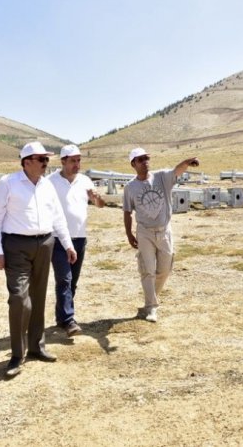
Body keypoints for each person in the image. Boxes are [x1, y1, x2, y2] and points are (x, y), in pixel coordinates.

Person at [0, 141, 77, 378]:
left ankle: (37, 346)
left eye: (47, 160)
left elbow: (57, 217)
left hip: (45, 243)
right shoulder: (8, 183)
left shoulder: (47, 186)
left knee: (38, 296)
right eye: (41, 160)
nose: (46, 164)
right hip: (16, 246)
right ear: (26, 162)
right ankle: (17, 353)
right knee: (19, 299)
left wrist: (67, 244)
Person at [123, 148, 199, 322]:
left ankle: (150, 299)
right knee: (147, 270)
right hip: (144, 233)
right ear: (133, 164)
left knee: (165, 269)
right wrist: (128, 233)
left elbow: (176, 171)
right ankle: (151, 308)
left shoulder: (161, 177)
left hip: (164, 230)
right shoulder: (130, 187)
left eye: (146, 158)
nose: (145, 162)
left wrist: (186, 162)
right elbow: (127, 212)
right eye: (140, 159)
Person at [48, 144, 105, 337]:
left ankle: (61, 317)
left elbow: (100, 205)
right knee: (64, 279)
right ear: (62, 161)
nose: (77, 164)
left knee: (72, 282)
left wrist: (96, 198)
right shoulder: (50, 181)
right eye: (73, 161)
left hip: (80, 238)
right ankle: (68, 320)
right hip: (57, 240)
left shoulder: (85, 181)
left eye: (79, 160)